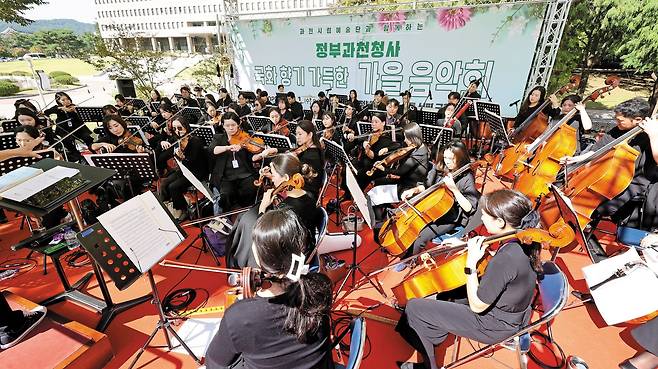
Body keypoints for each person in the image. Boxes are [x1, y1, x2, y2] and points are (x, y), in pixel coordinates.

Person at [396, 189, 542, 369]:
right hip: (513, 312)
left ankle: (429, 366)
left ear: (500, 221)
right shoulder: (523, 240)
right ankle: (434, 330)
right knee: (447, 293)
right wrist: (463, 245)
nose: (481, 219)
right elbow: (506, 268)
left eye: (485, 215)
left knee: (414, 307)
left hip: (494, 324)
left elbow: (478, 305)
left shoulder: (507, 258)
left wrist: (470, 264)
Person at [207, 209, 333, 369]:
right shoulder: (321, 287)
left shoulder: (238, 316)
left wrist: (244, 306)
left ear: (259, 257)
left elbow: (214, 363)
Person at [560, 98, 657, 225]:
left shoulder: (653, 132)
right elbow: (598, 149)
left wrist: (653, 135)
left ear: (638, 120)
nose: (617, 123)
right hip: (609, 176)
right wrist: (575, 159)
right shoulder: (618, 130)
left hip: (634, 181)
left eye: (621, 120)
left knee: (599, 206)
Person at [226, 154, 321, 268]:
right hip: (298, 241)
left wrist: (263, 207)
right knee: (244, 219)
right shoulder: (307, 195)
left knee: (250, 237)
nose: (272, 178)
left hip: (292, 254)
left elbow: (263, 230)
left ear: (286, 178)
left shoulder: (287, 210)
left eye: (274, 174)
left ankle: (243, 268)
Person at [395, 141, 479, 270]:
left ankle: (409, 260)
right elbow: (429, 186)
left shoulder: (467, 177)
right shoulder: (442, 169)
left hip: (451, 216)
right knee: (413, 226)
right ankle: (406, 252)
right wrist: (415, 190)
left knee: (421, 236)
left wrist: (454, 189)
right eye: (445, 158)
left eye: (451, 159)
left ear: (460, 157)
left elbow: (469, 208)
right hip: (434, 209)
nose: (447, 162)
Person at [367, 122, 429, 224]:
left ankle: (378, 222)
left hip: (408, 187)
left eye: (406, 138)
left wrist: (384, 169)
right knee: (378, 182)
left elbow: (400, 172)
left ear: (413, 137)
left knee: (372, 195)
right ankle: (383, 213)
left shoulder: (419, 155)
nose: (405, 140)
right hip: (405, 180)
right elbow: (399, 149)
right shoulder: (420, 147)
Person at [159, 115, 209, 220]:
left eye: (180, 128)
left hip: (196, 171)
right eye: (174, 128)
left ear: (186, 127)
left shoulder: (195, 141)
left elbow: (192, 161)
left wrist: (181, 158)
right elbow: (164, 155)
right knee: (164, 183)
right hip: (184, 169)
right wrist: (162, 142)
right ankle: (166, 205)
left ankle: (182, 209)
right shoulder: (175, 139)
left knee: (173, 186)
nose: (177, 131)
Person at [209, 111, 259, 213]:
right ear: (223, 125)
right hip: (226, 176)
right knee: (225, 195)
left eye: (233, 125)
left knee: (252, 188)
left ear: (238, 124)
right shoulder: (218, 137)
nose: (231, 128)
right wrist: (228, 147)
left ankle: (248, 212)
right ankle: (226, 217)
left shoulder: (245, 137)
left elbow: (252, 156)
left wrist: (259, 153)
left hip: (245, 174)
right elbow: (212, 150)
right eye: (227, 125)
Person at [351, 112, 401, 189]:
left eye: (376, 122)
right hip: (364, 162)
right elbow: (359, 138)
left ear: (383, 123)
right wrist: (354, 137)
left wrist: (368, 150)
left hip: (376, 166)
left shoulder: (385, 138)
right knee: (348, 169)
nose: (373, 124)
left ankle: (357, 193)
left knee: (361, 173)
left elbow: (374, 157)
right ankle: (348, 193)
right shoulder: (371, 133)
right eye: (372, 122)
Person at [43, 91, 94, 161]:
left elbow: (82, 118)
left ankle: (93, 150)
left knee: (87, 137)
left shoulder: (74, 107)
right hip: (64, 130)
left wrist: (76, 112)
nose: (66, 101)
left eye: (67, 99)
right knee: (66, 140)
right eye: (63, 100)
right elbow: (46, 112)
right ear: (58, 101)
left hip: (77, 129)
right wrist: (60, 108)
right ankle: (76, 154)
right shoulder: (57, 108)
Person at [293, 120, 324, 198]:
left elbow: (308, 183)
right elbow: (293, 150)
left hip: (307, 194)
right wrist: (276, 150)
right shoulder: (307, 147)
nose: (297, 137)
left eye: (300, 134)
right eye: (296, 134)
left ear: (310, 135)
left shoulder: (312, 156)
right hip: (302, 187)